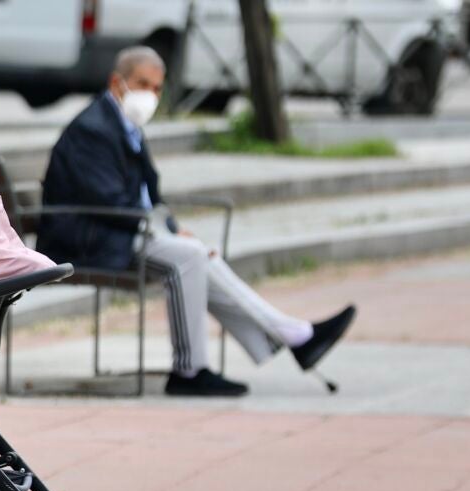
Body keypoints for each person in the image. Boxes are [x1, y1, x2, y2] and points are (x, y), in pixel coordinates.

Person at [37, 46, 355, 397]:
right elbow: (106, 199)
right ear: (117, 82)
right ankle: (192, 370)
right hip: (89, 239)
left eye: (157, 88)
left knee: (199, 254)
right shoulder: (93, 129)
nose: (150, 95)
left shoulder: (124, 124)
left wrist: (171, 228)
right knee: (188, 256)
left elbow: (148, 193)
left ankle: (294, 336)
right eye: (142, 84)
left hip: (119, 229)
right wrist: (160, 229)